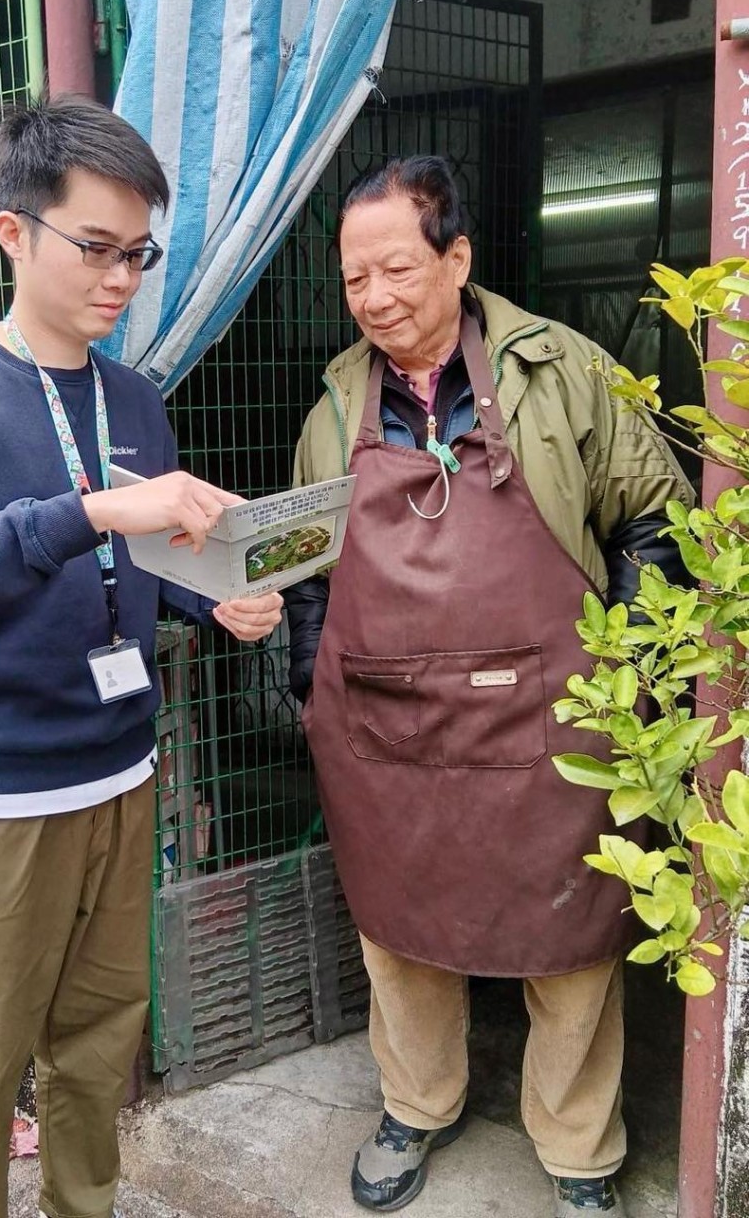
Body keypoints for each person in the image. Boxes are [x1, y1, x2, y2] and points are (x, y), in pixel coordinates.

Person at [0, 93, 283, 1218]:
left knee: (100, 1044)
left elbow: (148, 563)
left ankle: (81, 1205)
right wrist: (93, 509)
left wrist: (218, 608)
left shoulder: (135, 396)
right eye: (95, 248)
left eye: (138, 254)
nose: (121, 278)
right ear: (14, 231)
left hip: (120, 769)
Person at [285, 155, 692, 1218]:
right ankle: (417, 1103)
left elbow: (657, 517)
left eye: (395, 270)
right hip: (386, 732)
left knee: (571, 936)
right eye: (353, 279)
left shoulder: (558, 369)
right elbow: (299, 575)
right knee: (399, 933)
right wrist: (307, 693)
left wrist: (629, 670)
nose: (373, 298)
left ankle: (578, 1144)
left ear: (457, 258)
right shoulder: (336, 401)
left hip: (547, 716)